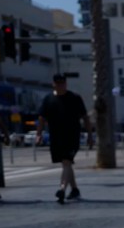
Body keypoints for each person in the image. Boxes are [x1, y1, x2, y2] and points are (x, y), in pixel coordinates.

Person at [37, 73, 92, 204]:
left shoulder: (75, 98)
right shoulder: (48, 99)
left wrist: (90, 135)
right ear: (53, 84)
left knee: (67, 161)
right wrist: (38, 134)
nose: (61, 85)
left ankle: (62, 189)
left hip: (72, 136)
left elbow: (85, 117)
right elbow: (41, 118)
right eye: (58, 83)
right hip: (56, 137)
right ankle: (74, 189)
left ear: (66, 84)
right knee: (66, 163)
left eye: (63, 83)